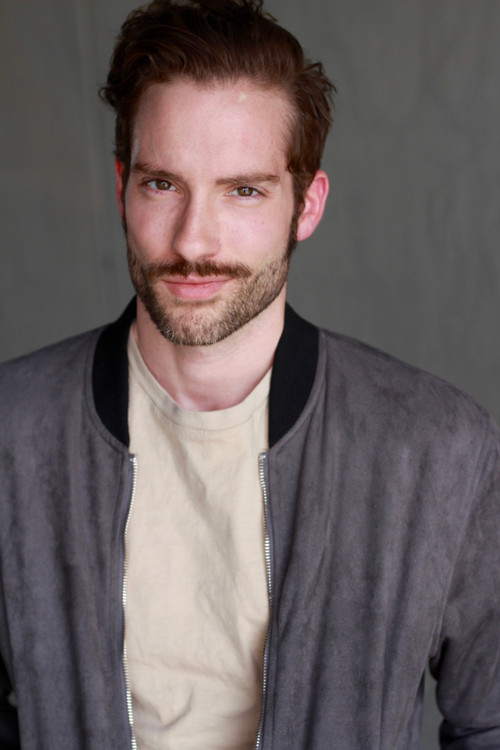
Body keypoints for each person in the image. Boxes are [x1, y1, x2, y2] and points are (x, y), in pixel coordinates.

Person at [1, 0, 499, 748]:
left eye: (243, 190)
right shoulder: (12, 433)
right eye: (162, 184)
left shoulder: (436, 449)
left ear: (307, 206)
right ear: (122, 187)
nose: (193, 241)